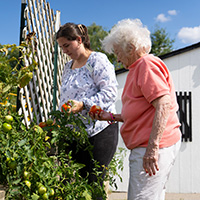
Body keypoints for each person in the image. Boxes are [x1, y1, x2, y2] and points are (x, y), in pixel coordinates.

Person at [90, 18, 182, 200]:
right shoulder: (138, 68)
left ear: (130, 48)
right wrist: (112, 116)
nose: (116, 58)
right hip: (150, 145)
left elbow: (163, 103)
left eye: (117, 52)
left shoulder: (146, 65)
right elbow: (142, 112)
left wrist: (152, 148)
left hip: (152, 146)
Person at [56, 22, 119, 199]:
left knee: (93, 183)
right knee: (70, 185)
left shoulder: (96, 61)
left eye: (67, 45)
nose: (64, 50)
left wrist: (83, 104)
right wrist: (59, 118)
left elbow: (110, 93)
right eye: (61, 47)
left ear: (79, 39)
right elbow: (65, 99)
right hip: (73, 134)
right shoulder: (68, 67)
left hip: (99, 132)